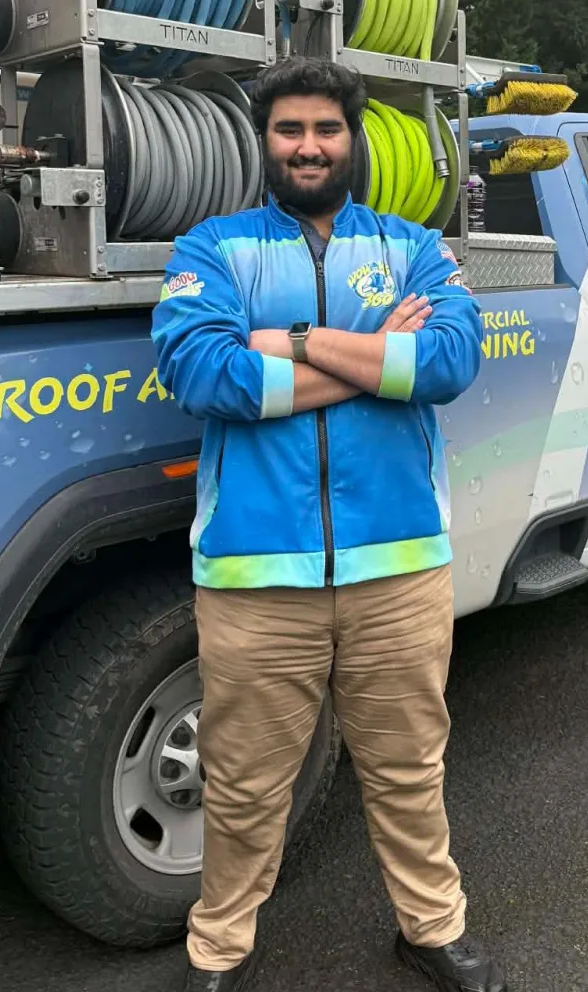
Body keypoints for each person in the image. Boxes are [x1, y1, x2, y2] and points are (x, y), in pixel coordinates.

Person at [150, 56, 506, 992]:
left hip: (399, 567)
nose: (309, 146)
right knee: (243, 785)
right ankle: (218, 948)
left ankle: (431, 929)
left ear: (352, 140)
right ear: (264, 141)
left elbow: (447, 362)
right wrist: (373, 349)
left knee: (406, 768)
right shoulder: (211, 250)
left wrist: (291, 341)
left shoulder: (416, 245)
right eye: (289, 130)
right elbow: (203, 374)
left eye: (327, 129)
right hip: (254, 574)